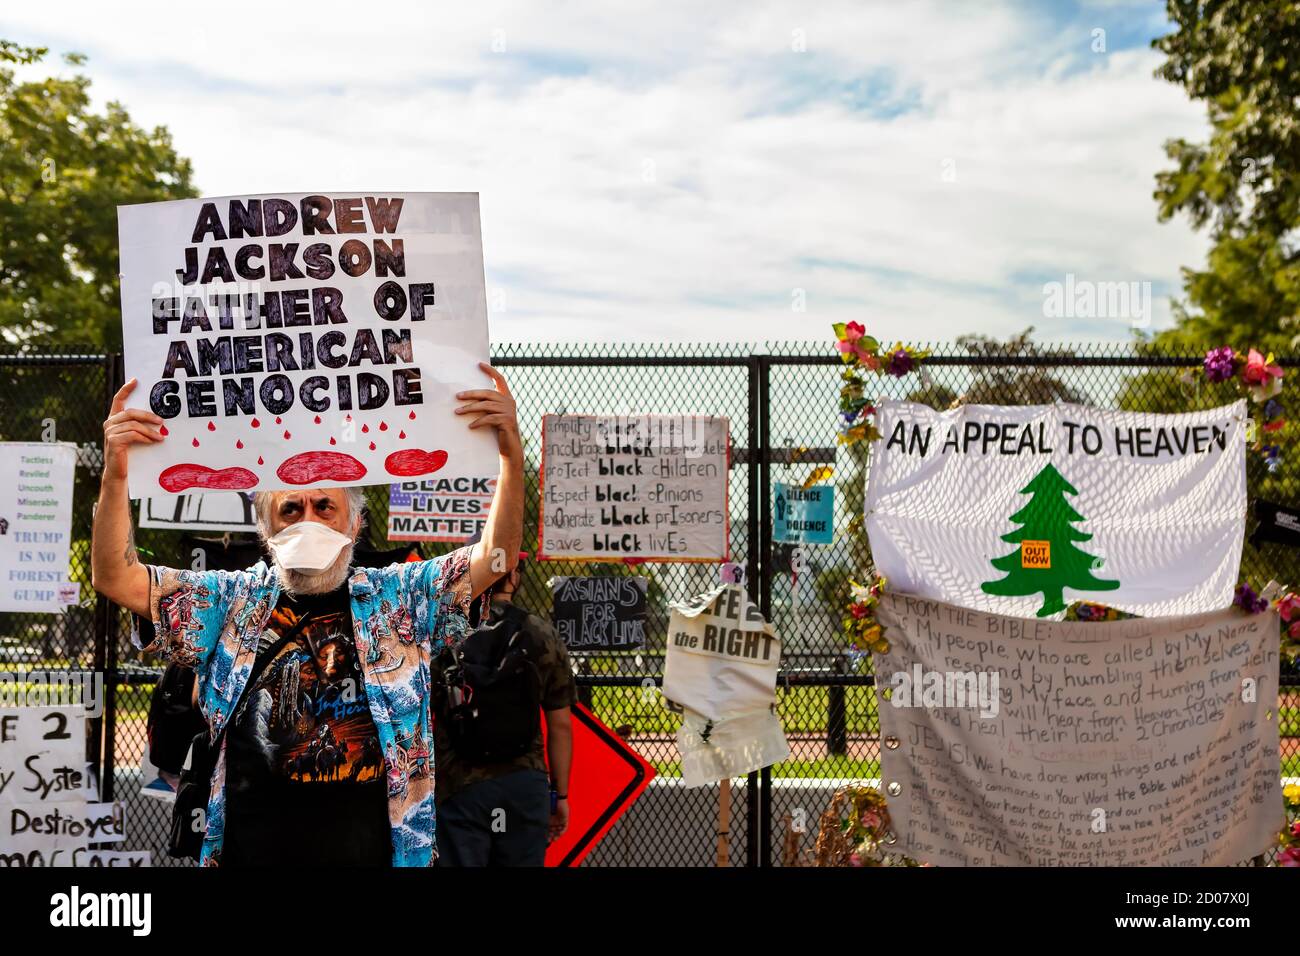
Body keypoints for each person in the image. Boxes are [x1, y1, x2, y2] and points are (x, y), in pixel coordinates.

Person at [90, 363, 524, 867]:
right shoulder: (230, 602)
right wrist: (116, 474)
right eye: (290, 510)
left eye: (325, 506)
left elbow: (495, 556)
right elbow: (115, 576)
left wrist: (511, 458)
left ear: (356, 521)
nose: (309, 521)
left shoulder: (400, 596)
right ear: (264, 528)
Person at [432, 550, 577, 866]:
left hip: (459, 784)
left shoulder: (444, 631)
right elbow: (561, 725)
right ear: (514, 577)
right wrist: (559, 795)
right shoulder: (541, 633)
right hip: (523, 784)